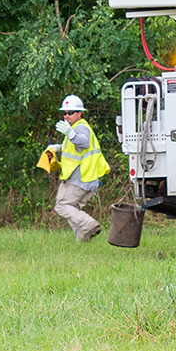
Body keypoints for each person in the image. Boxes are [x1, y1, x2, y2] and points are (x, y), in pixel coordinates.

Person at [49, 95, 110, 242]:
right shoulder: (76, 127)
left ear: (79, 113)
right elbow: (75, 149)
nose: (66, 116)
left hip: (80, 178)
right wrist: (58, 148)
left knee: (62, 206)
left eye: (70, 112)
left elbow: (83, 142)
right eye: (65, 113)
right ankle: (82, 240)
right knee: (73, 209)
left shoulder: (80, 127)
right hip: (86, 178)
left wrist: (70, 134)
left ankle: (89, 225)